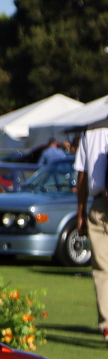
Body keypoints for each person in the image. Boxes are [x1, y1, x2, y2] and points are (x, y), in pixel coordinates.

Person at [75, 117, 108, 344]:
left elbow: (82, 175)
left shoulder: (91, 129)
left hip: (99, 203)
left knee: (102, 269)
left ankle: (107, 325)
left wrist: (79, 213)